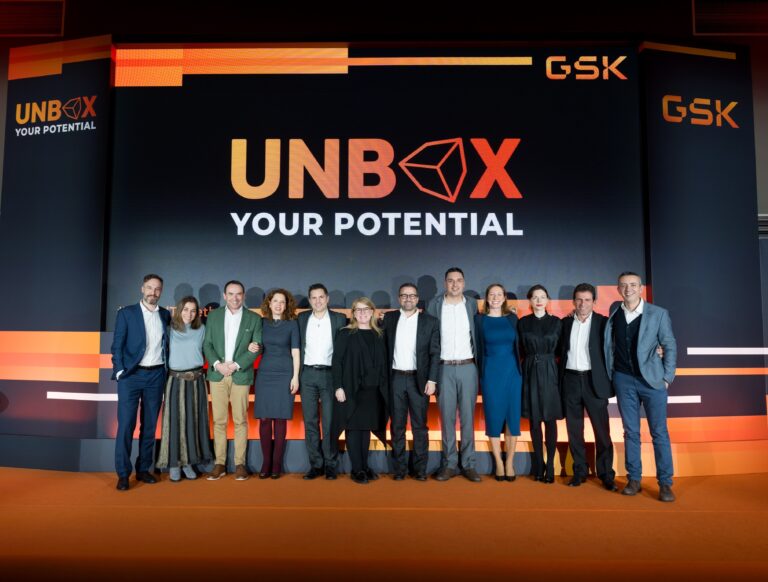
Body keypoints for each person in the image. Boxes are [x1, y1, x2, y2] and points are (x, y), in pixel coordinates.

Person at [604, 272, 677, 502]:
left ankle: (665, 483)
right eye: (624, 285)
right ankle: (634, 479)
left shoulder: (658, 313)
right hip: (623, 380)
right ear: (618, 289)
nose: (628, 289)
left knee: (659, 432)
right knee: (631, 432)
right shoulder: (614, 312)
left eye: (633, 285)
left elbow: (669, 345)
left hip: (653, 381)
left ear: (641, 288)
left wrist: (667, 377)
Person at [111, 274, 171, 491]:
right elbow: (117, 345)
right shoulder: (126, 313)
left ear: (161, 291)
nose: (153, 292)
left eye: (157, 289)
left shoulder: (165, 314)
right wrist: (120, 371)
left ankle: (144, 469)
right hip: (131, 376)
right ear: (142, 288)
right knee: (126, 425)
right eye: (149, 287)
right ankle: (123, 474)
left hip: (156, 376)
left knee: (150, 426)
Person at [557, 283, 617, 491]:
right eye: (579, 300)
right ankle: (579, 472)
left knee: (602, 432)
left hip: (594, 382)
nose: (583, 304)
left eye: (587, 300)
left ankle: (606, 474)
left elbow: (617, 349)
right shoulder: (564, 324)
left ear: (594, 302)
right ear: (573, 301)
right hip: (570, 380)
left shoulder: (604, 323)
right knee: (574, 431)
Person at [203, 280, 263, 481]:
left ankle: (240, 464)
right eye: (231, 294)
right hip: (217, 374)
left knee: (240, 420)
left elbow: (256, 347)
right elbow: (207, 345)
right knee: (219, 421)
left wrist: (235, 365)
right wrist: (218, 365)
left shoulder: (254, 318)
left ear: (243, 296)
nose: (235, 298)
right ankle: (219, 463)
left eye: (238, 294)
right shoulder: (213, 316)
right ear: (224, 296)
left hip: (240, 375)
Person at [426, 268, 481, 482]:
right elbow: (429, 337)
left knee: (468, 418)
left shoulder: (472, 305)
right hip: (444, 368)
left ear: (464, 283)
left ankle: (468, 464)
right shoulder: (434, 305)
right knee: (447, 418)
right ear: (445, 283)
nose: (455, 284)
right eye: (450, 281)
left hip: (468, 367)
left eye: (459, 280)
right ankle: (449, 464)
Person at [382, 283, 440, 481]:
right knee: (397, 426)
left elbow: (435, 353)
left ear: (417, 298)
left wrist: (432, 379)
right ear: (399, 298)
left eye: (412, 295)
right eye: (404, 295)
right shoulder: (389, 319)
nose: (408, 299)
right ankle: (399, 469)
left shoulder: (430, 321)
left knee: (419, 427)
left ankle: (420, 469)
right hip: (395, 379)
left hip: (419, 380)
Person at [331, 297, 389, 485]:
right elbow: (337, 362)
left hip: (373, 391)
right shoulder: (345, 334)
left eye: (366, 309)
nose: (363, 313)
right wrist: (338, 386)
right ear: (353, 313)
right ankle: (357, 469)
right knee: (354, 429)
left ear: (372, 312)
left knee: (365, 428)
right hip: (351, 389)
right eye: (358, 310)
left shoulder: (379, 334)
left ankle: (364, 466)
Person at [156, 296, 213, 482]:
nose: (189, 314)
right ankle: (174, 463)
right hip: (175, 380)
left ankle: (188, 462)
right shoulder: (169, 329)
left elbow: (210, 350)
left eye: (193, 310)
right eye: (186, 309)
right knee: (174, 422)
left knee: (193, 422)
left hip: (197, 381)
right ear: (179, 310)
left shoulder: (201, 329)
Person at [297, 283, 348, 481]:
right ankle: (316, 465)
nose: (317, 301)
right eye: (314, 298)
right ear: (309, 300)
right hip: (308, 374)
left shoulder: (339, 319)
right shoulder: (302, 319)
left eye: (321, 297)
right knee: (310, 422)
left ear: (327, 299)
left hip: (330, 375)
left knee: (329, 423)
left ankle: (330, 465)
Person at [474, 283, 522, 482]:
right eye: (491, 294)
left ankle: (509, 462)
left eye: (499, 294)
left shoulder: (512, 319)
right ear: (486, 298)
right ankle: (498, 463)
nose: (495, 298)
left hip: (513, 373)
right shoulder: (479, 320)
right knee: (493, 417)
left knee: (513, 418)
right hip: (490, 373)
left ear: (504, 298)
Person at [253, 289, 300, 479]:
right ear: (269, 304)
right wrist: (252, 346)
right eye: (275, 301)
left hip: (285, 374)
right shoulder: (261, 323)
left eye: (282, 302)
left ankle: (276, 464)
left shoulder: (292, 324)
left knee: (280, 419)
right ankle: (266, 462)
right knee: (264, 419)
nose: (279, 305)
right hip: (265, 373)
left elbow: (296, 352)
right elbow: (256, 345)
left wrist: (295, 377)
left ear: (286, 305)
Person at [518, 284, 563, 483]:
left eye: (542, 296)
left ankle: (551, 465)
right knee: (534, 420)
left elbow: (562, 350)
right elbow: (519, 348)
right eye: (535, 297)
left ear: (547, 300)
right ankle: (539, 465)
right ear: (529, 300)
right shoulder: (522, 323)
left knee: (550, 419)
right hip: (529, 370)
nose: (538, 300)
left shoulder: (557, 322)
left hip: (551, 371)